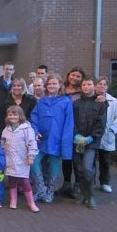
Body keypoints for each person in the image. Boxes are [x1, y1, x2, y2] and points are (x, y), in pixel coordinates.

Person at [30, 73, 74, 203]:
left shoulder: (66, 102)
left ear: (60, 85)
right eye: (49, 84)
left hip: (57, 139)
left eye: (54, 83)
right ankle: (40, 189)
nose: (51, 86)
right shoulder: (41, 101)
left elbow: (68, 123)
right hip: (42, 139)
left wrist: (65, 140)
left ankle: (50, 191)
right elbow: (34, 118)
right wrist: (35, 132)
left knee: (54, 166)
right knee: (34, 162)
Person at [73, 76, 107, 210]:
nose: (86, 87)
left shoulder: (100, 103)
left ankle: (91, 196)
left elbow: (101, 124)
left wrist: (91, 138)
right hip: (77, 141)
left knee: (88, 169)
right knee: (79, 169)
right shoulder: (76, 103)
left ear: (94, 86)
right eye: (84, 85)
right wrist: (76, 135)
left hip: (91, 143)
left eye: (89, 84)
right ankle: (82, 193)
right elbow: (72, 121)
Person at [1, 105, 39, 212]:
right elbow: (3, 144)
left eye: (14, 114)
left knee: (24, 181)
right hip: (10, 159)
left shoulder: (27, 129)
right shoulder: (6, 130)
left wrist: (31, 156)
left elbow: (32, 143)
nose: (12, 117)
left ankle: (31, 203)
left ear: (20, 115)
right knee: (11, 180)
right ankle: (13, 200)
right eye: (10, 115)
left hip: (22, 159)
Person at [60, 66, 86, 198]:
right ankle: (66, 183)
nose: (75, 78)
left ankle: (78, 185)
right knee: (66, 158)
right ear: (68, 75)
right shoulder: (61, 90)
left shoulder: (83, 93)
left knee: (77, 158)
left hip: (78, 130)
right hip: (64, 128)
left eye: (78, 76)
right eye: (73, 75)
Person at [95, 76, 117, 193]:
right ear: (95, 86)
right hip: (93, 136)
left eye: (104, 84)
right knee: (90, 161)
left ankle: (105, 182)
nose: (102, 86)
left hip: (106, 135)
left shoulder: (113, 101)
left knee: (105, 161)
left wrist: (112, 130)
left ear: (107, 87)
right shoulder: (91, 99)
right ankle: (91, 182)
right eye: (99, 84)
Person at [0, 62, 15, 138]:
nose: (8, 71)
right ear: (3, 70)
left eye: (11, 69)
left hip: (12, 116)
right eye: (6, 69)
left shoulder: (16, 84)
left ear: (13, 71)